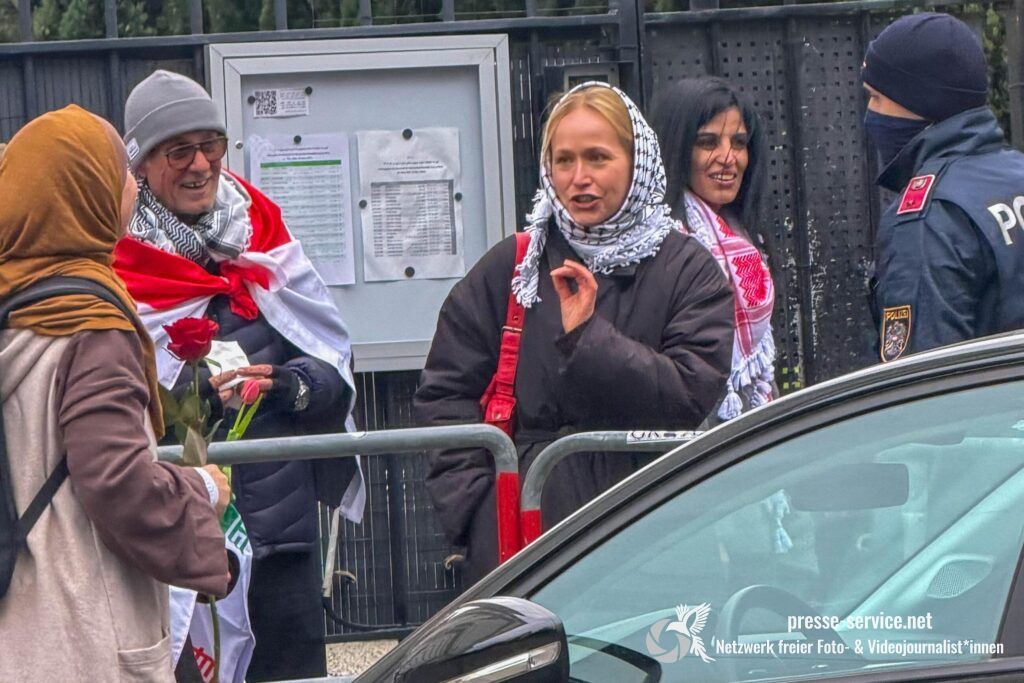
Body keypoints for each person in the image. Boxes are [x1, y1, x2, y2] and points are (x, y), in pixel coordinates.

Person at [415, 81, 734, 584]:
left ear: (637, 162)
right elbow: (445, 394)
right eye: (563, 160)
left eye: (598, 158)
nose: (579, 178)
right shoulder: (514, 266)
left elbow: (689, 394)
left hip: (650, 532)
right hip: (524, 540)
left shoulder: (688, 270)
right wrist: (476, 511)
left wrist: (589, 338)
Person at [112, 70, 363, 682]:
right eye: (179, 151)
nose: (200, 164)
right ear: (141, 164)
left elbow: (332, 360)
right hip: (180, 540)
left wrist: (292, 385)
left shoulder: (264, 233)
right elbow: (111, 399)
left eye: (211, 145)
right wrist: (187, 397)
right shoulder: (117, 260)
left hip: (280, 535)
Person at [0, 105, 230, 681]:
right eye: (120, 171)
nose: (131, 183)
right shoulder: (92, 326)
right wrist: (202, 490)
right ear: (88, 193)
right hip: (78, 633)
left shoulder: (11, 303)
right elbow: (117, 480)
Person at [863, 12, 1024, 361]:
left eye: (875, 97)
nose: (869, 113)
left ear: (918, 100)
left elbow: (923, 373)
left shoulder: (928, 220)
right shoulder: (1016, 172)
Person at [652, 77, 777, 424]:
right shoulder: (657, 243)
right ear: (676, 148)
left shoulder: (744, 236)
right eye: (707, 142)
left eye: (739, 143)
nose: (727, 158)